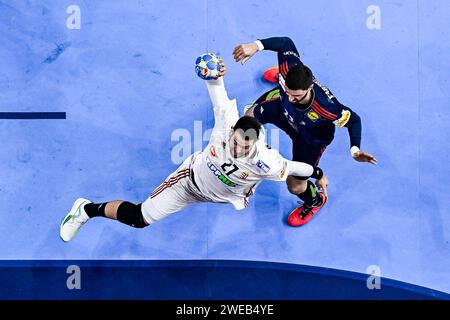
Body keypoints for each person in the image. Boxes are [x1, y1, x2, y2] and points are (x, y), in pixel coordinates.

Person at [60, 60, 326, 242]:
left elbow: (294, 168)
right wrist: (214, 75)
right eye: (235, 141)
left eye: (243, 146)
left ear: (254, 144)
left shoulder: (265, 161)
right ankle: (85, 210)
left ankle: (314, 201)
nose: (236, 147)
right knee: (139, 218)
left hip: (225, 196)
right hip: (188, 183)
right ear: (232, 131)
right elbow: (217, 92)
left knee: (297, 184)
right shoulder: (226, 124)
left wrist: (317, 172)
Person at [233, 37, 377, 227]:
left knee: (295, 185)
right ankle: (282, 82)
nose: (292, 98)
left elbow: (354, 120)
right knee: (247, 119)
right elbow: (285, 43)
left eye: (297, 95)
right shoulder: (288, 69)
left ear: (309, 88)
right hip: (282, 111)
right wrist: (256, 46)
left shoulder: (327, 108)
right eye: (289, 91)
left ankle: (315, 201)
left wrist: (355, 150)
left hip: (309, 139)